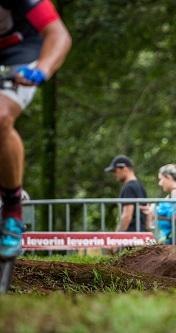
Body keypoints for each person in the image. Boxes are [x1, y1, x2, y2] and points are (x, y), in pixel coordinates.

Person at [0, 0, 72, 258]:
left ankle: (12, 206)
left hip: (21, 51)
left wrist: (42, 70)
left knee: (1, 116)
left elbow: (59, 35)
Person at [150, 164, 176, 248]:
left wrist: (158, 216)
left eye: (161, 179)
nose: (160, 183)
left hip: (175, 240)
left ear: (168, 177)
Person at [104, 155, 148, 232]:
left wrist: (116, 236)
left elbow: (127, 216)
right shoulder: (140, 186)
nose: (115, 174)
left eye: (115, 171)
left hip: (130, 235)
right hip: (141, 233)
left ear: (124, 168)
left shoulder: (129, 187)